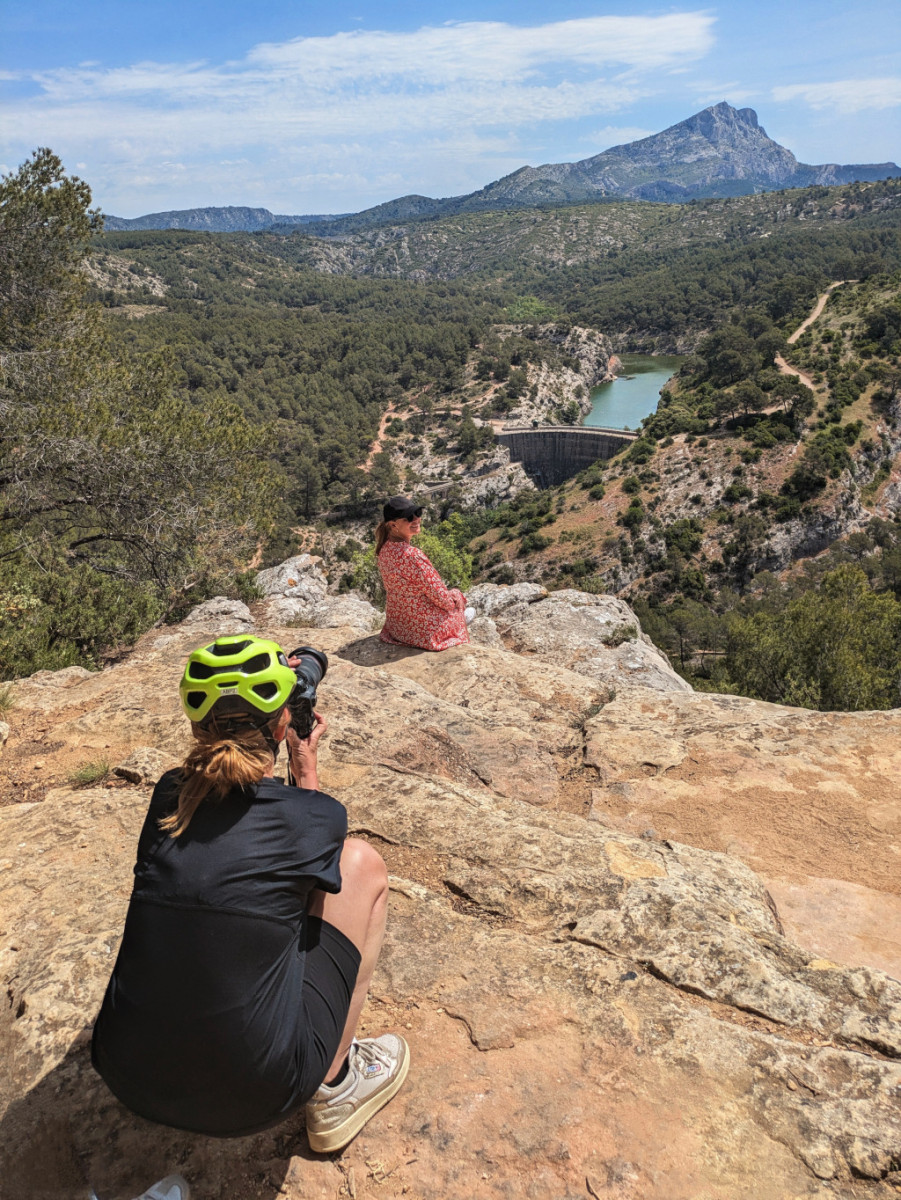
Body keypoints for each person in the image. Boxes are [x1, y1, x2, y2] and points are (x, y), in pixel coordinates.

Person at [91, 635, 409, 1155]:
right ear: (284, 723)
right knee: (361, 865)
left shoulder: (168, 797)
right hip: (259, 1096)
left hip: (127, 1076)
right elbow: (313, 870)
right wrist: (306, 771)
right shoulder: (316, 815)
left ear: (196, 726)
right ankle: (335, 1084)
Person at [376, 495, 473, 651]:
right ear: (393, 525)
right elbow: (444, 601)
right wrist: (455, 598)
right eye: (408, 517)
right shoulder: (412, 556)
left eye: (418, 513)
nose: (416, 519)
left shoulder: (385, 550)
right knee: (456, 598)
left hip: (398, 628)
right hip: (424, 632)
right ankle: (459, 620)